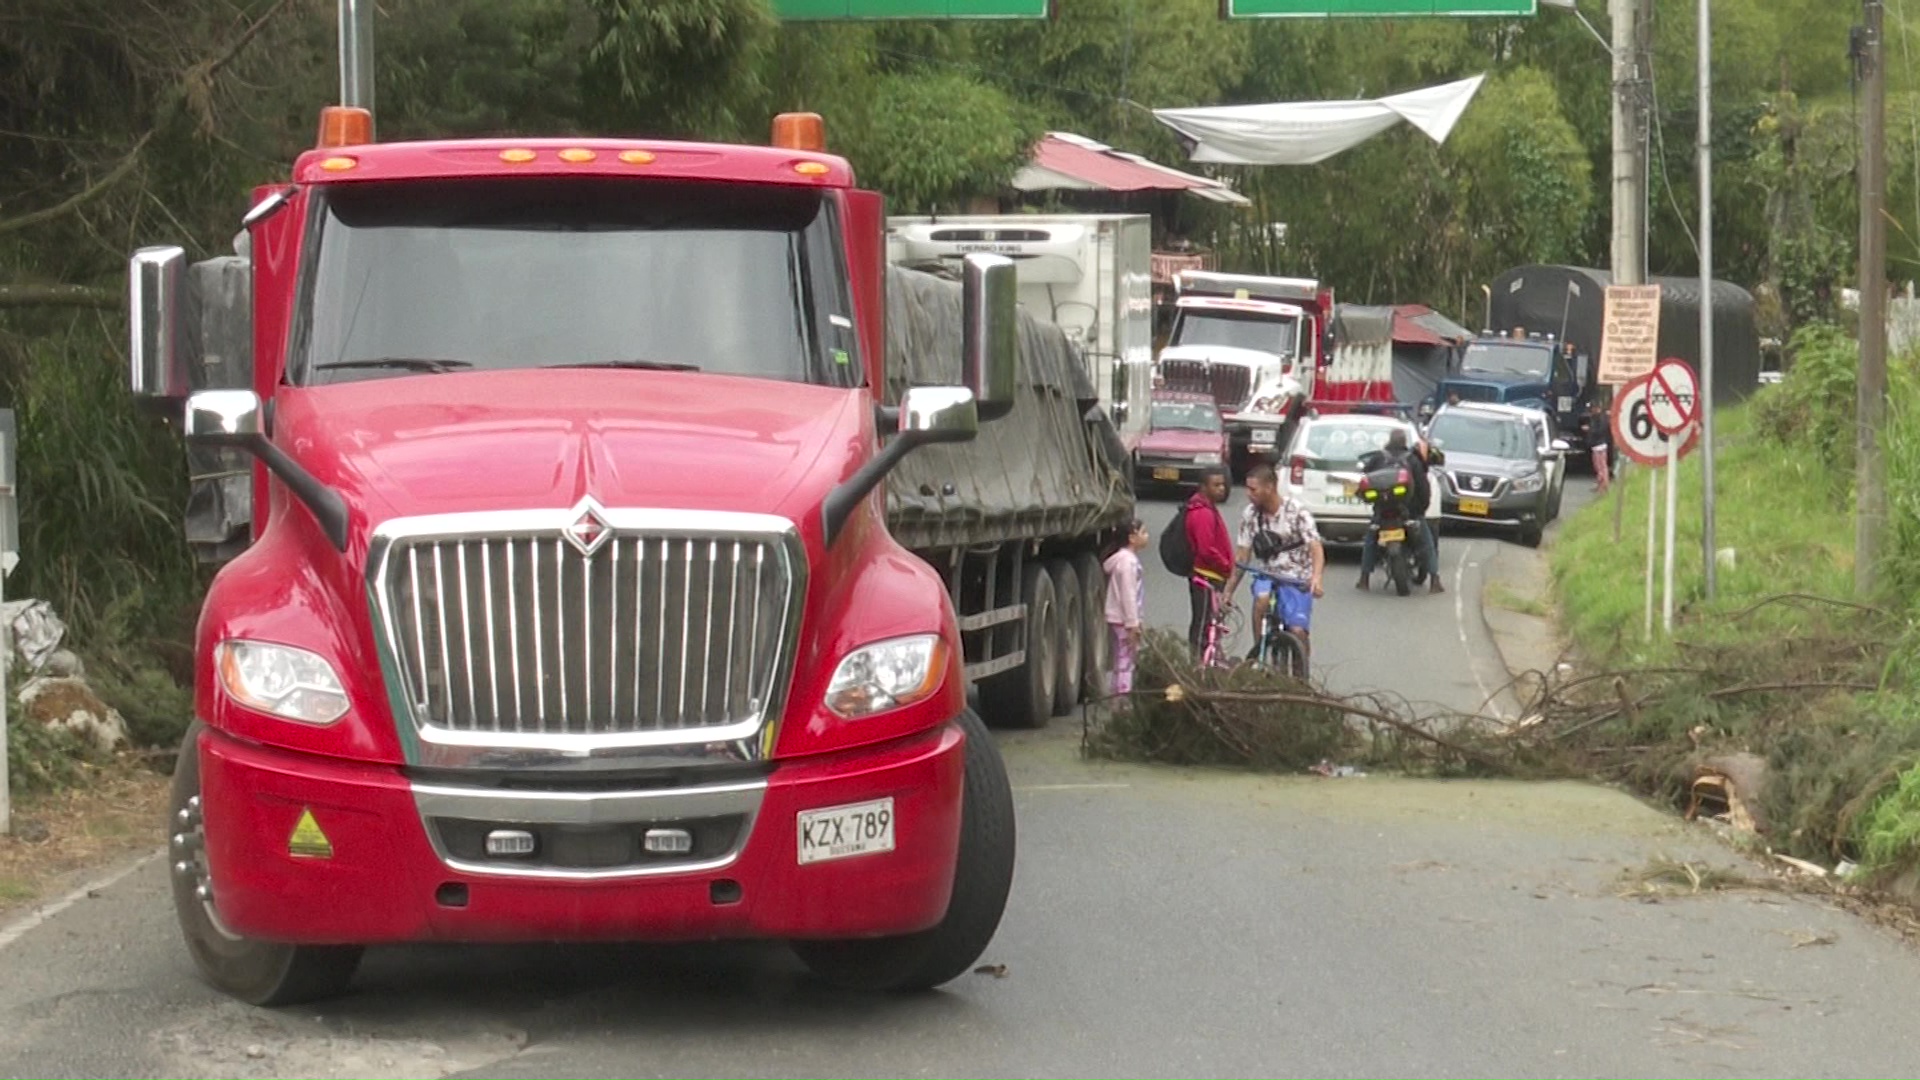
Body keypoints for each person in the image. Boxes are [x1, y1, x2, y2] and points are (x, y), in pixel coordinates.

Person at [1228, 463, 1326, 660]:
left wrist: (1316, 577)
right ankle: (1259, 653)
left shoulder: (1297, 512)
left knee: (1298, 631)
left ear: (1269, 487)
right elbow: (1242, 556)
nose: (1248, 494)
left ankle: (1301, 677)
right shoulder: (1250, 515)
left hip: (1297, 578)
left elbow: (1315, 548)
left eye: (1253, 489)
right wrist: (1228, 591)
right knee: (1262, 600)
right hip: (1267, 574)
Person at [1356, 429, 1443, 594]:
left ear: (1389, 441)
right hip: (1410, 511)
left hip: (1383, 511)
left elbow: (1364, 479)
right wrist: (1420, 510)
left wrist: (1375, 504)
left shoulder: (1378, 458)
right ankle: (1435, 580)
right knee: (1427, 543)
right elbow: (1424, 488)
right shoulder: (1413, 460)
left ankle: (1364, 578)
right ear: (1405, 442)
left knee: (1370, 540)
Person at [1184, 468, 1234, 659]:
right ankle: (1200, 664)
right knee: (1204, 624)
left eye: (1223, 484)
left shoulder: (1208, 507)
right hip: (1207, 577)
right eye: (1216, 485)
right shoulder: (1202, 513)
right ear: (1204, 487)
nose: (1221, 489)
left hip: (1212, 576)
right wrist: (1225, 565)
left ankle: (1207, 659)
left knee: (1209, 623)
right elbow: (1206, 549)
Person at [1103, 520, 1148, 697]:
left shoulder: (1122, 560)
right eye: (1143, 533)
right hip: (1124, 620)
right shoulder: (1128, 563)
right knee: (1126, 660)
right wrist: (1133, 623)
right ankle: (1123, 697)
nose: (1146, 537)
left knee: (1120, 658)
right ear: (1132, 538)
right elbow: (1128, 594)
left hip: (1118, 618)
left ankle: (1117, 695)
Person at [1584, 392, 1612, 492]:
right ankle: (1602, 484)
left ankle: (1603, 484)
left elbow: (1600, 430)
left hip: (1599, 444)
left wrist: (1590, 430)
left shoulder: (1600, 418)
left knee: (1601, 466)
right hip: (1599, 444)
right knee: (1599, 466)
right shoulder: (1601, 417)